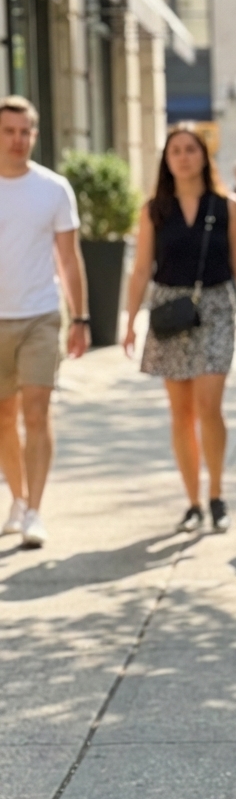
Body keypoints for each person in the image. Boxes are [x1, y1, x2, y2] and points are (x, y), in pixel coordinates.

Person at [123, 127, 236, 534]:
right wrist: (130, 322)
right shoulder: (154, 209)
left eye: (190, 149)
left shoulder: (228, 205)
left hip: (216, 308)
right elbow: (140, 270)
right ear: (166, 160)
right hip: (169, 311)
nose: (183, 157)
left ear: (204, 156)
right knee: (181, 412)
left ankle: (216, 495)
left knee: (208, 405)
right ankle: (192, 503)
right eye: (176, 151)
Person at [0, 95, 90, 548]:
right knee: (4, 416)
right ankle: (17, 499)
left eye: (25, 132)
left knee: (36, 411)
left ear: (34, 135)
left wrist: (81, 318)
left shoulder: (54, 189)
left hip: (40, 314)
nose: (17, 140)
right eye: (9, 131)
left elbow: (69, 259)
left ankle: (34, 510)